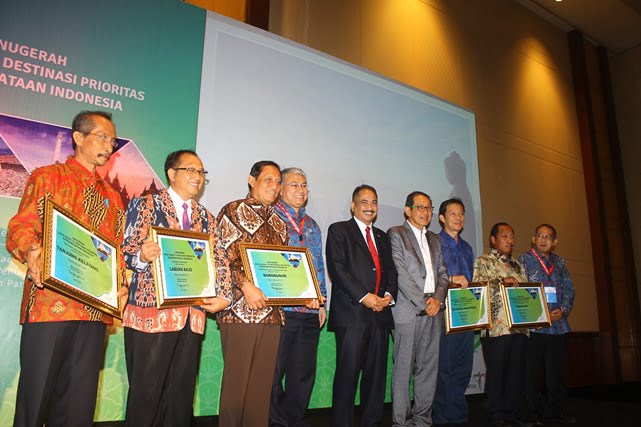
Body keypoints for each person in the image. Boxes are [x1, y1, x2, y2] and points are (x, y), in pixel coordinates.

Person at [6, 111, 126, 426]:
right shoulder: (48, 177)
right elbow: (22, 226)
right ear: (77, 137)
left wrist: (121, 284)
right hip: (50, 307)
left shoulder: (114, 198)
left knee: (78, 408)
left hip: (94, 312)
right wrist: (32, 250)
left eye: (112, 140)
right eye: (101, 136)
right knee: (36, 401)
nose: (108, 144)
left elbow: (115, 250)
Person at [121, 149, 231, 426]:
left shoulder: (207, 217)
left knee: (180, 395)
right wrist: (142, 256)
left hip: (192, 315)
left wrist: (225, 297)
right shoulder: (146, 204)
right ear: (172, 173)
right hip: (151, 314)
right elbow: (126, 251)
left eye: (202, 172)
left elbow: (219, 259)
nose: (198, 177)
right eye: (191, 170)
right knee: (147, 393)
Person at [216, 160, 289, 426]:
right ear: (251, 180)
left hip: (272, 315)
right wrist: (245, 285)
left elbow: (284, 269)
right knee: (237, 387)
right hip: (239, 312)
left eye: (278, 181)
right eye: (268, 179)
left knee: (261, 391)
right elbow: (221, 256)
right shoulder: (233, 210)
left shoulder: (281, 223)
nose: (274, 185)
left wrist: (303, 292)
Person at [326, 184, 398, 427]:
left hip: (380, 316)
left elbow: (390, 270)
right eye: (364, 202)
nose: (370, 207)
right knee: (347, 378)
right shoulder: (339, 231)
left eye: (374, 202)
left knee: (376, 379)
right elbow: (338, 269)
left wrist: (388, 295)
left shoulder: (382, 236)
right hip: (352, 316)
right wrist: (365, 296)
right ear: (353, 205)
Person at [269, 167, 327, 427]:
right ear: (280, 188)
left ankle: (295, 419)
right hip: (281, 310)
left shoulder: (313, 225)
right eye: (294, 185)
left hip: (310, 311)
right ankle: (275, 422)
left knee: (303, 373)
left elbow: (319, 266)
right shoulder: (270, 217)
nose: (301, 190)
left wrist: (323, 299)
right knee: (273, 371)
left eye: (304, 185)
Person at [387, 191, 448, 427]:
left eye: (429, 208)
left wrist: (438, 300)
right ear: (407, 210)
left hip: (434, 310)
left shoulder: (435, 238)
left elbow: (443, 273)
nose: (425, 212)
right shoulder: (397, 233)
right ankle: (401, 423)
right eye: (420, 207)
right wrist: (424, 303)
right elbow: (400, 274)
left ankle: (423, 421)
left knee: (428, 370)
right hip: (407, 312)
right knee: (403, 371)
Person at [473, 223, 530, 427]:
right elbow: (478, 287)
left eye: (512, 236)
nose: (509, 240)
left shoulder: (517, 265)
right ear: (493, 240)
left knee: (515, 372)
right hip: (496, 328)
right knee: (497, 371)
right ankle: (495, 413)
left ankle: (511, 413)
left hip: (519, 326)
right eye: (504, 236)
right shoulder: (484, 261)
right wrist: (500, 280)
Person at [519, 224, 576, 425]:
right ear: (533, 239)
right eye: (540, 236)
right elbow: (521, 291)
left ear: (554, 242)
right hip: (536, 325)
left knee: (557, 373)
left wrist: (563, 309)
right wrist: (541, 312)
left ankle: (557, 411)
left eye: (548, 237)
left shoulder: (559, 262)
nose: (543, 239)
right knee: (531, 372)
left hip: (558, 325)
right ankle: (534, 412)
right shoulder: (524, 260)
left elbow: (569, 288)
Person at [433, 198, 476, 427]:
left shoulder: (468, 248)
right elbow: (428, 278)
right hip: (442, 317)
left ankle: (458, 417)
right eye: (452, 213)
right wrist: (450, 280)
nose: (458, 218)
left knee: (462, 369)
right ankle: (440, 419)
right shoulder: (434, 242)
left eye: (461, 213)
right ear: (441, 218)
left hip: (466, 316)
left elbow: (471, 281)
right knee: (443, 371)